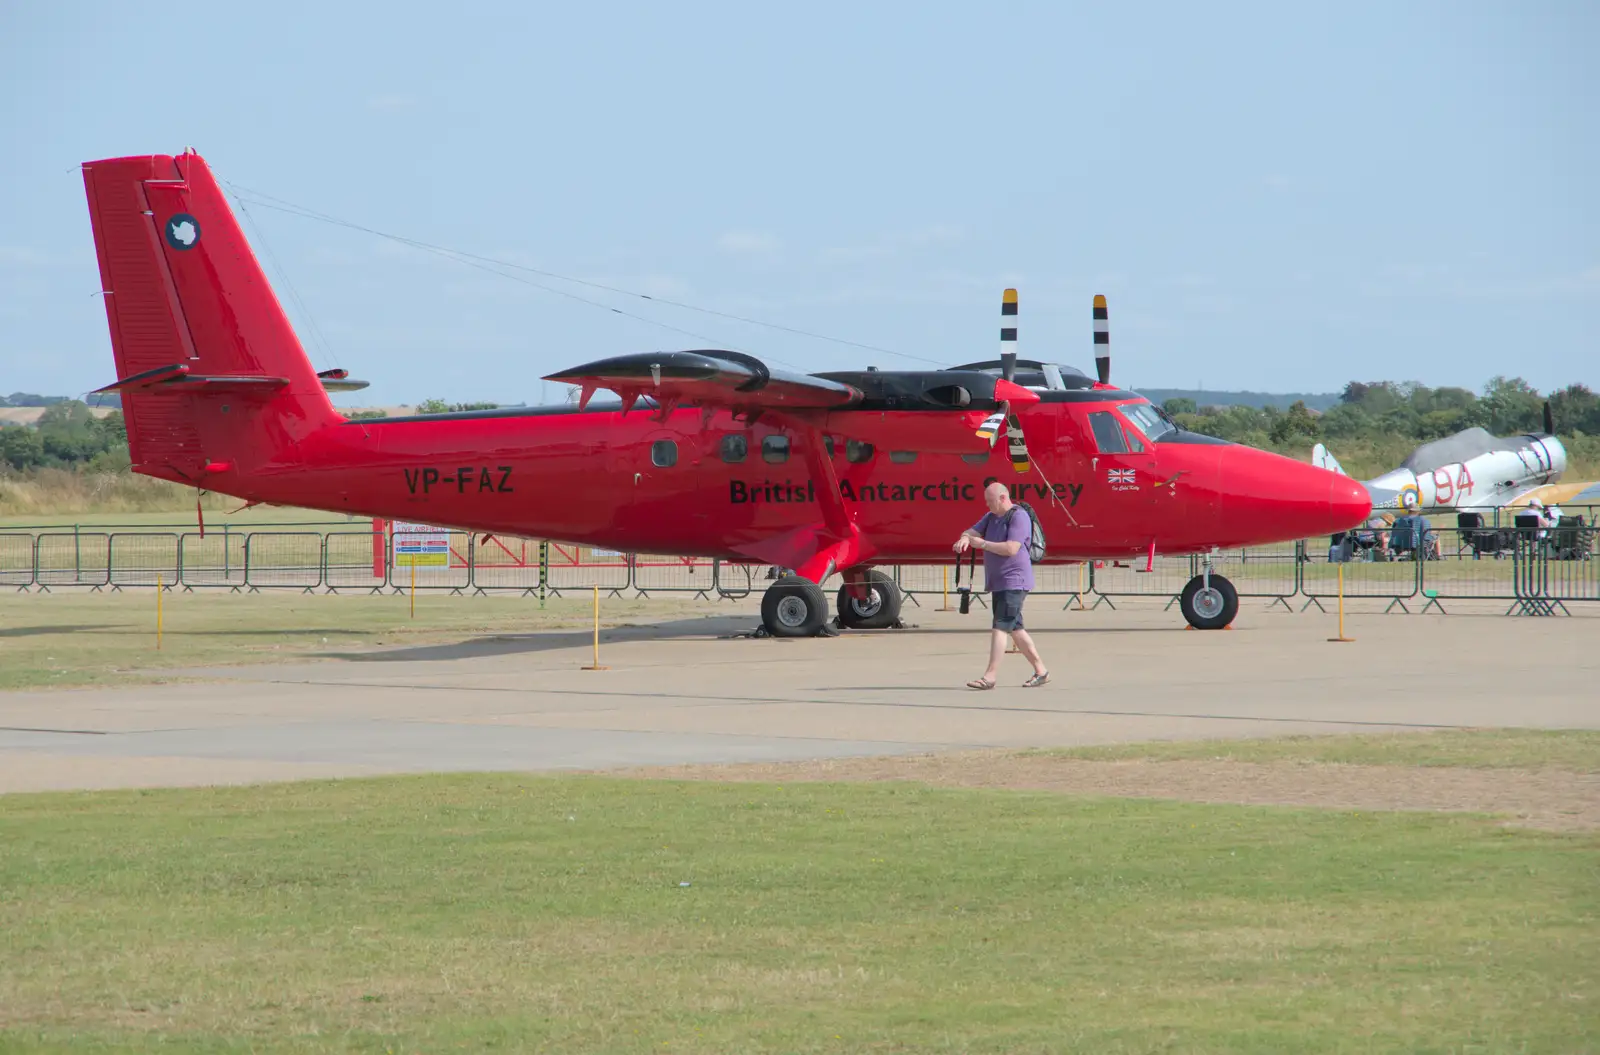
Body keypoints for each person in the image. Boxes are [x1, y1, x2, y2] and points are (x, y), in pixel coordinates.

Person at [954, 481, 1049, 689]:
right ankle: (1041, 670)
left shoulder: (1018, 516)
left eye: (990, 501)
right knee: (1015, 628)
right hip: (999, 582)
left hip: (1014, 580)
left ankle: (990, 676)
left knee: (1000, 626)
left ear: (1003, 498)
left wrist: (983, 544)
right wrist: (964, 538)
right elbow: (972, 531)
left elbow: (1012, 548)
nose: (987, 505)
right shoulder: (991, 517)